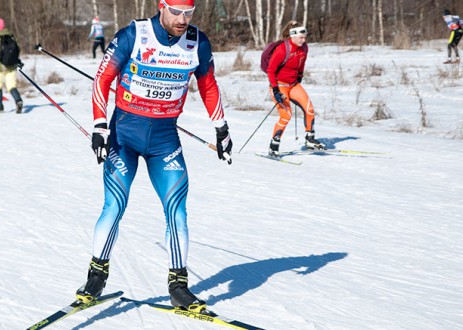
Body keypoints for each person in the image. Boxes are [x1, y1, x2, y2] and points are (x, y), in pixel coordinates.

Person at [76, 0, 232, 313]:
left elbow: (208, 83)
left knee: (177, 209)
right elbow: (102, 80)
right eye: (177, 12)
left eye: (189, 13)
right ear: (162, 7)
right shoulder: (134, 35)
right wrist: (99, 126)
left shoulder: (196, 42)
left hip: (165, 141)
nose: (183, 19)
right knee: (115, 204)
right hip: (124, 138)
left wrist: (221, 127)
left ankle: (178, 286)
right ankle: (96, 276)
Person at [264, 20, 324, 157]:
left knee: (309, 109)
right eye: (301, 38)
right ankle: (273, 146)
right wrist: (275, 90)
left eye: (305, 37)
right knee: (286, 115)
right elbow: (271, 71)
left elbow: (302, 63)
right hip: (279, 85)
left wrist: (300, 76)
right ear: (292, 36)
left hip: (293, 84)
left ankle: (310, 140)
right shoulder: (282, 50)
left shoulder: (304, 48)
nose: (303, 40)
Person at [0, 18, 23, 113]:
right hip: (11, 66)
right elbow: (18, 50)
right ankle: (18, 100)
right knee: (11, 86)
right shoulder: (11, 37)